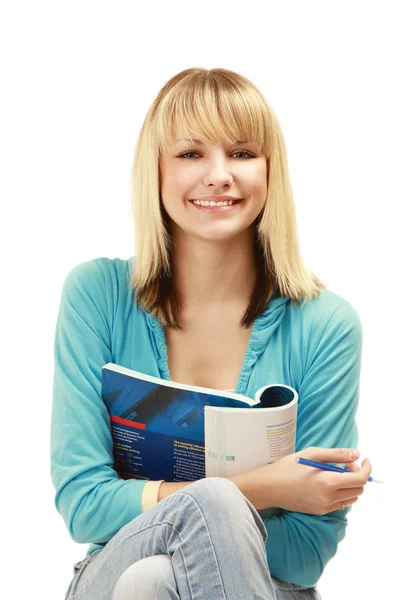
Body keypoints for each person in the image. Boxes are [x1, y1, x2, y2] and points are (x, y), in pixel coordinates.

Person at [50, 67, 372, 600]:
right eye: (190, 153)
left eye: (243, 153)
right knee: (198, 521)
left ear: (271, 171)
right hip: (107, 575)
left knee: (154, 582)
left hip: (269, 586)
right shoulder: (96, 295)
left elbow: (307, 553)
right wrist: (261, 489)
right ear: (155, 170)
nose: (220, 174)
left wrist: (207, 517)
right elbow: (85, 507)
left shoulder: (326, 326)